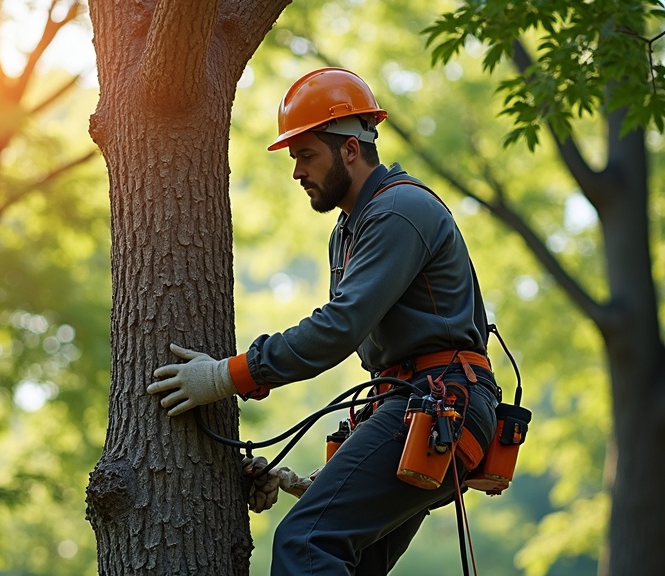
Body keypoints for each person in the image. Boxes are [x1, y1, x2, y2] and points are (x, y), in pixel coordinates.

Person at [148, 67, 500, 576]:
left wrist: (227, 376)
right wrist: (315, 481)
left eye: (306, 154)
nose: (296, 171)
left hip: (442, 401)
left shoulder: (398, 210)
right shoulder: (349, 229)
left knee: (306, 542)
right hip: (413, 404)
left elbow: (338, 328)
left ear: (350, 149)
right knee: (353, 562)